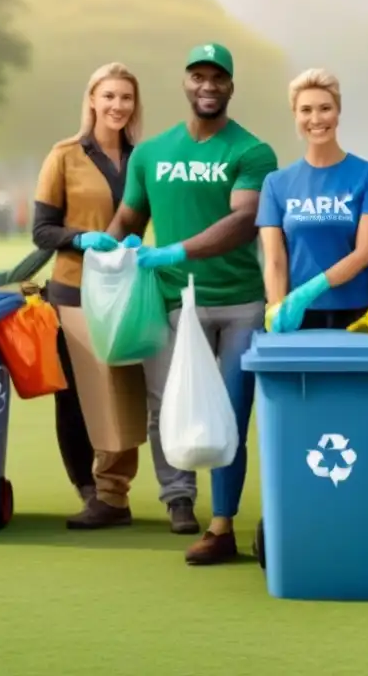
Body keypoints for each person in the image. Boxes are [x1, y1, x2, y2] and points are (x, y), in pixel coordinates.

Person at [102, 43, 278, 564]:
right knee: (168, 405)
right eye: (198, 76)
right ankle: (178, 498)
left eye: (217, 78)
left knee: (230, 412)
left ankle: (222, 524)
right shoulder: (151, 154)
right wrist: (104, 251)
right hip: (176, 303)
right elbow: (127, 221)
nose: (207, 86)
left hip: (242, 302)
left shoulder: (251, 151)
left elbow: (244, 219)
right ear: (185, 83)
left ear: (230, 86)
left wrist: (177, 249)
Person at [32, 62, 151, 530]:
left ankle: (113, 491)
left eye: (126, 98)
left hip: (127, 292)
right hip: (73, 292)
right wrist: (82, 238)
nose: (118, 106)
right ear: (92, 101)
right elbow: (42, 230)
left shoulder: (144, 158)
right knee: (78, 399)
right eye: (109, 97)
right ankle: (90, 491)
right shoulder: (63, 156)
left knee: (123, 392)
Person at [257, 68, 368, 333]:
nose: (316, 118)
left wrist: (313, 287)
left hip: (356, 315)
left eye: (325, 108)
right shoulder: (276, 183)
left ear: (338, 112)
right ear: (295, 116)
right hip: (297, 316)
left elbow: (366, 251)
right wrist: (276, 308)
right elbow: (274, 259)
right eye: (306, 110)